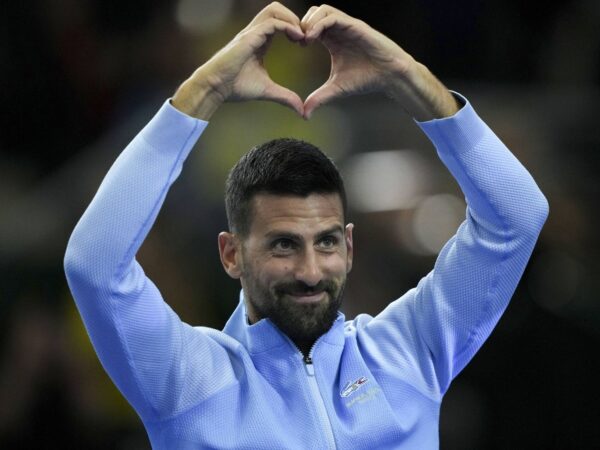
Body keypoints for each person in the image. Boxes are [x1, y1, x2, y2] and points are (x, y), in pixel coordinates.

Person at [64, 3, 548, 449]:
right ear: (231, 254)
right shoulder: (190, 381)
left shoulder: (408, 351)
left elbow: (517, 217)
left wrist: (408, 79)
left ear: (350, 245)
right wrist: (205, 91)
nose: (312, 271)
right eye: (283, 245)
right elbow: (95, 264)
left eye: (327, 242)